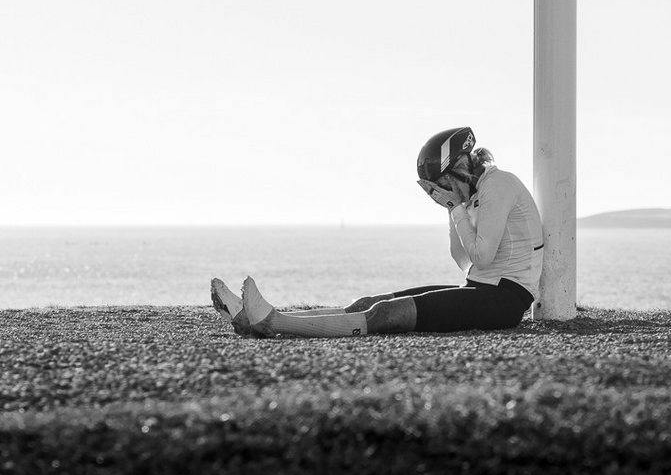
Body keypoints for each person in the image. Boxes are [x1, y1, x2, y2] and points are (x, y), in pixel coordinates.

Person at [210, 127, 544, 337]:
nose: (439, 194)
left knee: (386, 315)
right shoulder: (472, 196)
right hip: (481, 288)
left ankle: (271, 322)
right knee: (369, 303)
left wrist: (455, 208)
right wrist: (452, 208)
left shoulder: (499, 184)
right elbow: (464, 262)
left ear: (457, 168)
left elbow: (481, 255)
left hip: (505, 299)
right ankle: (255, 317)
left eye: (440, 186)